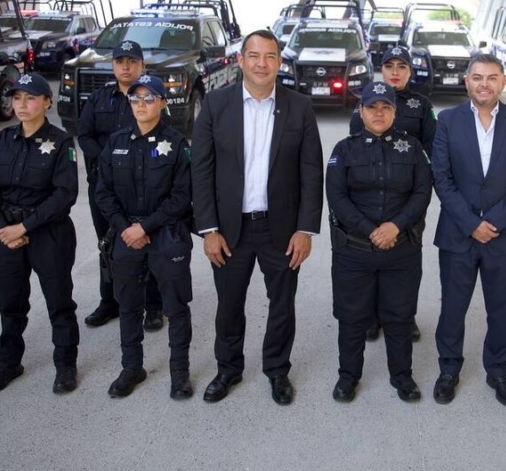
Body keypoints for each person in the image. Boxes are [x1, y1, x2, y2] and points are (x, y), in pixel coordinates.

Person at [192, 29, 323, 405]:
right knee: (229, 305)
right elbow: (200, 170)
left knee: (282, 305)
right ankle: (228, 369)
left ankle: (277, 370)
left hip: (280, 229)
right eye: (254, 55)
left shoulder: (299, 106)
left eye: (269, 56)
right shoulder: (217, 105)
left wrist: (305, 229)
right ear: (240, 60)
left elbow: (311, 172)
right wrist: (209, 229)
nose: (261, 64)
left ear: (279, 62)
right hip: (229, 229)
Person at [431, 53, 506, 407]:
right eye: (477, 77)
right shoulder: (447, 121)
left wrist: (495, 222)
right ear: (466, 81)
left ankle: (497, 371)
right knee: (453, 307)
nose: (484, 84)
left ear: (503, 82)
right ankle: (449, 369)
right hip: (457, 234)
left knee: (500, 309)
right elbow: (442, 178)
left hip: (502, 235)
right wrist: (471, 223)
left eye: (492, 77)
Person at [328, 82, 432, 403]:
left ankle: (402, 376)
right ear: (361, 111)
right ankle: (349, 377)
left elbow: (422, 192)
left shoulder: (412, 148)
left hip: (401, 250)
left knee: (399, 316)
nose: (379, 113)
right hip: (354, 251)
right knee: (352, 317)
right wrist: (371, 229)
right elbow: (336, 196)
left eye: (385, 107)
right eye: (372, 107)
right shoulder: (343, 149)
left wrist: (395, 227)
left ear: (394, 112)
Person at [0, 72, 80, 394]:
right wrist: (3, 230)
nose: (22, 104)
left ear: (47, 102)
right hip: (6, 233)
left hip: (48, 234)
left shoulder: (61, 142)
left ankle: (65, 365)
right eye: (17, 98)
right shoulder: (2, 140)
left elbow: (65, 194)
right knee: (11, 303)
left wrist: (24, 227)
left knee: (59, 303)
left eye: (31, 98)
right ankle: (9, 362)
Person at [96, 75, 196, 399]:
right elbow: (104, 192)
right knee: (128, 305)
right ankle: (131, 368)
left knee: (176, 307)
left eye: (149, 98)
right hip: (126, 235)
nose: (141, 104)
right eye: (135, 98)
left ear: (163, 103)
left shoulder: (178, 144)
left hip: (166, 235)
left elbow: (182, 197)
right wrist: (127, 228)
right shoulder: (116, 142)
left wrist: (145, 227)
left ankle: (179, 372)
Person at [349, 44, 435, 342]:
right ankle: (373, 315)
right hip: (371, 197)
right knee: (372, 253)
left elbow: (431, 150)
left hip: (408, 198)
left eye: (402, 67)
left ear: (411, 71)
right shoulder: (364, 103)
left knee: (407, 259)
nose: (395, 72)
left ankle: (404, 315)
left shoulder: (422, 105)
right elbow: (354, 148)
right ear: (380, 70)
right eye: (389, 67)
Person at [78, 41, 165, 332]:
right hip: (103, 185)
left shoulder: (149, 97)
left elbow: (158, 135)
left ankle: (153, 306)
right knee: (107, 244)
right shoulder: (99, 98)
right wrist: (112, 157)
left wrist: (123, 158)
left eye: (132, 61)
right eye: (119, 61)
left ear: (142, 66)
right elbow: (84, 135)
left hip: (141, 186)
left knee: (148, 242)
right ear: (113, 65)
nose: (125, 67)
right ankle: (110, 301)